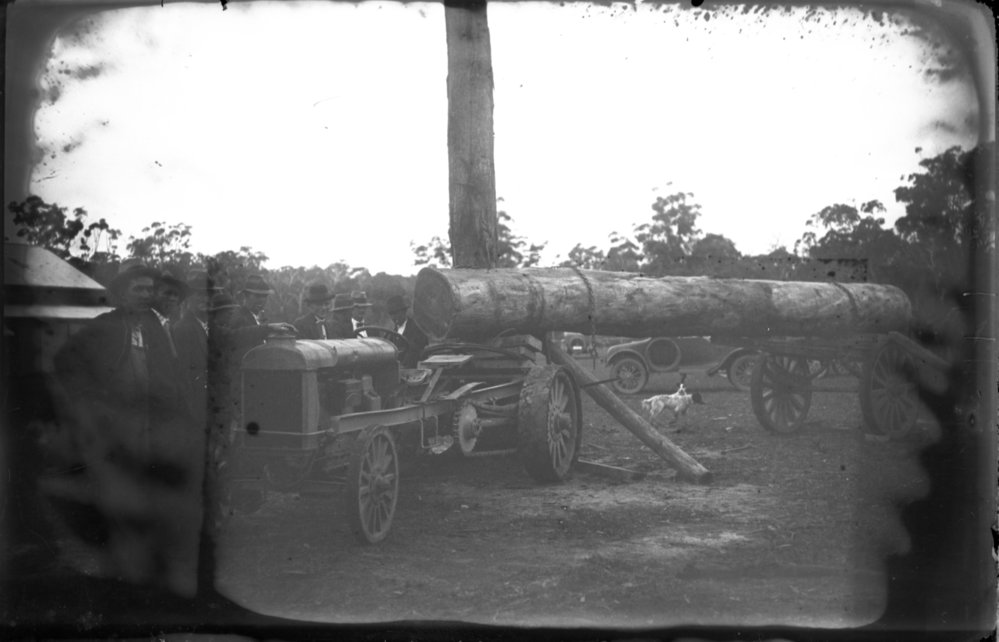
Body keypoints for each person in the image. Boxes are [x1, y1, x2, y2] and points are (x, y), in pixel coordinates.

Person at [53, 260, 203, 597]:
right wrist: (93, 405)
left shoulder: (152, 327)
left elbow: (172, 377)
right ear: (121, 293)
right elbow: (64, 362)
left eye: (150, 290)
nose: (146, 295)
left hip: (151, 432)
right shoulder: (104, 327)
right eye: (139, 289)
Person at [227, 274, 296, 363]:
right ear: (246, 296)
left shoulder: (261, 317)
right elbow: (238, 335)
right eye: (257, 296)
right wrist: (269, 328)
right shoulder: (238, 316)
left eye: (264, 296)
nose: (261, 300)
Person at [385, 294, 430, 368]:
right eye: (391, 314)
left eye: (396, 313)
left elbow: (415, 352)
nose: (393, 317)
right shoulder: (390, 334)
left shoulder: (417, 329)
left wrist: (403, 366)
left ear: (404, 312)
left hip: (413, 370)